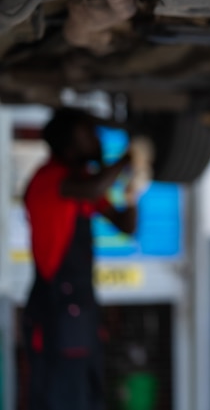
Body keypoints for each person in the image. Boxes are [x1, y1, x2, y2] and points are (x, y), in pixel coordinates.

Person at [21, 107, 142, 410]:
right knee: (60, 398)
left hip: (81, 312)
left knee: (88, 398)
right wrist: (125, 160)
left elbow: (125, 225)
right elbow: (94, 187)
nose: (97, 140)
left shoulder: (82, 182)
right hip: (55, 311)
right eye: (89, 134)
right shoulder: (48, 180)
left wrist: (133, 189)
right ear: (68, 142)